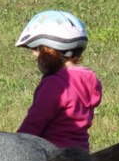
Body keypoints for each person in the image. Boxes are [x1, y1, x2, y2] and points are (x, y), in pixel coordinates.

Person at [14, 10, 102, 151]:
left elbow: (34, 124)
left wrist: (16, 144)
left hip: (52, 154)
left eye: (37, 49)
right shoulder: (88, 79)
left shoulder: (55, 85)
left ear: (50, 50)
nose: (34, 55)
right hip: (80, 155)